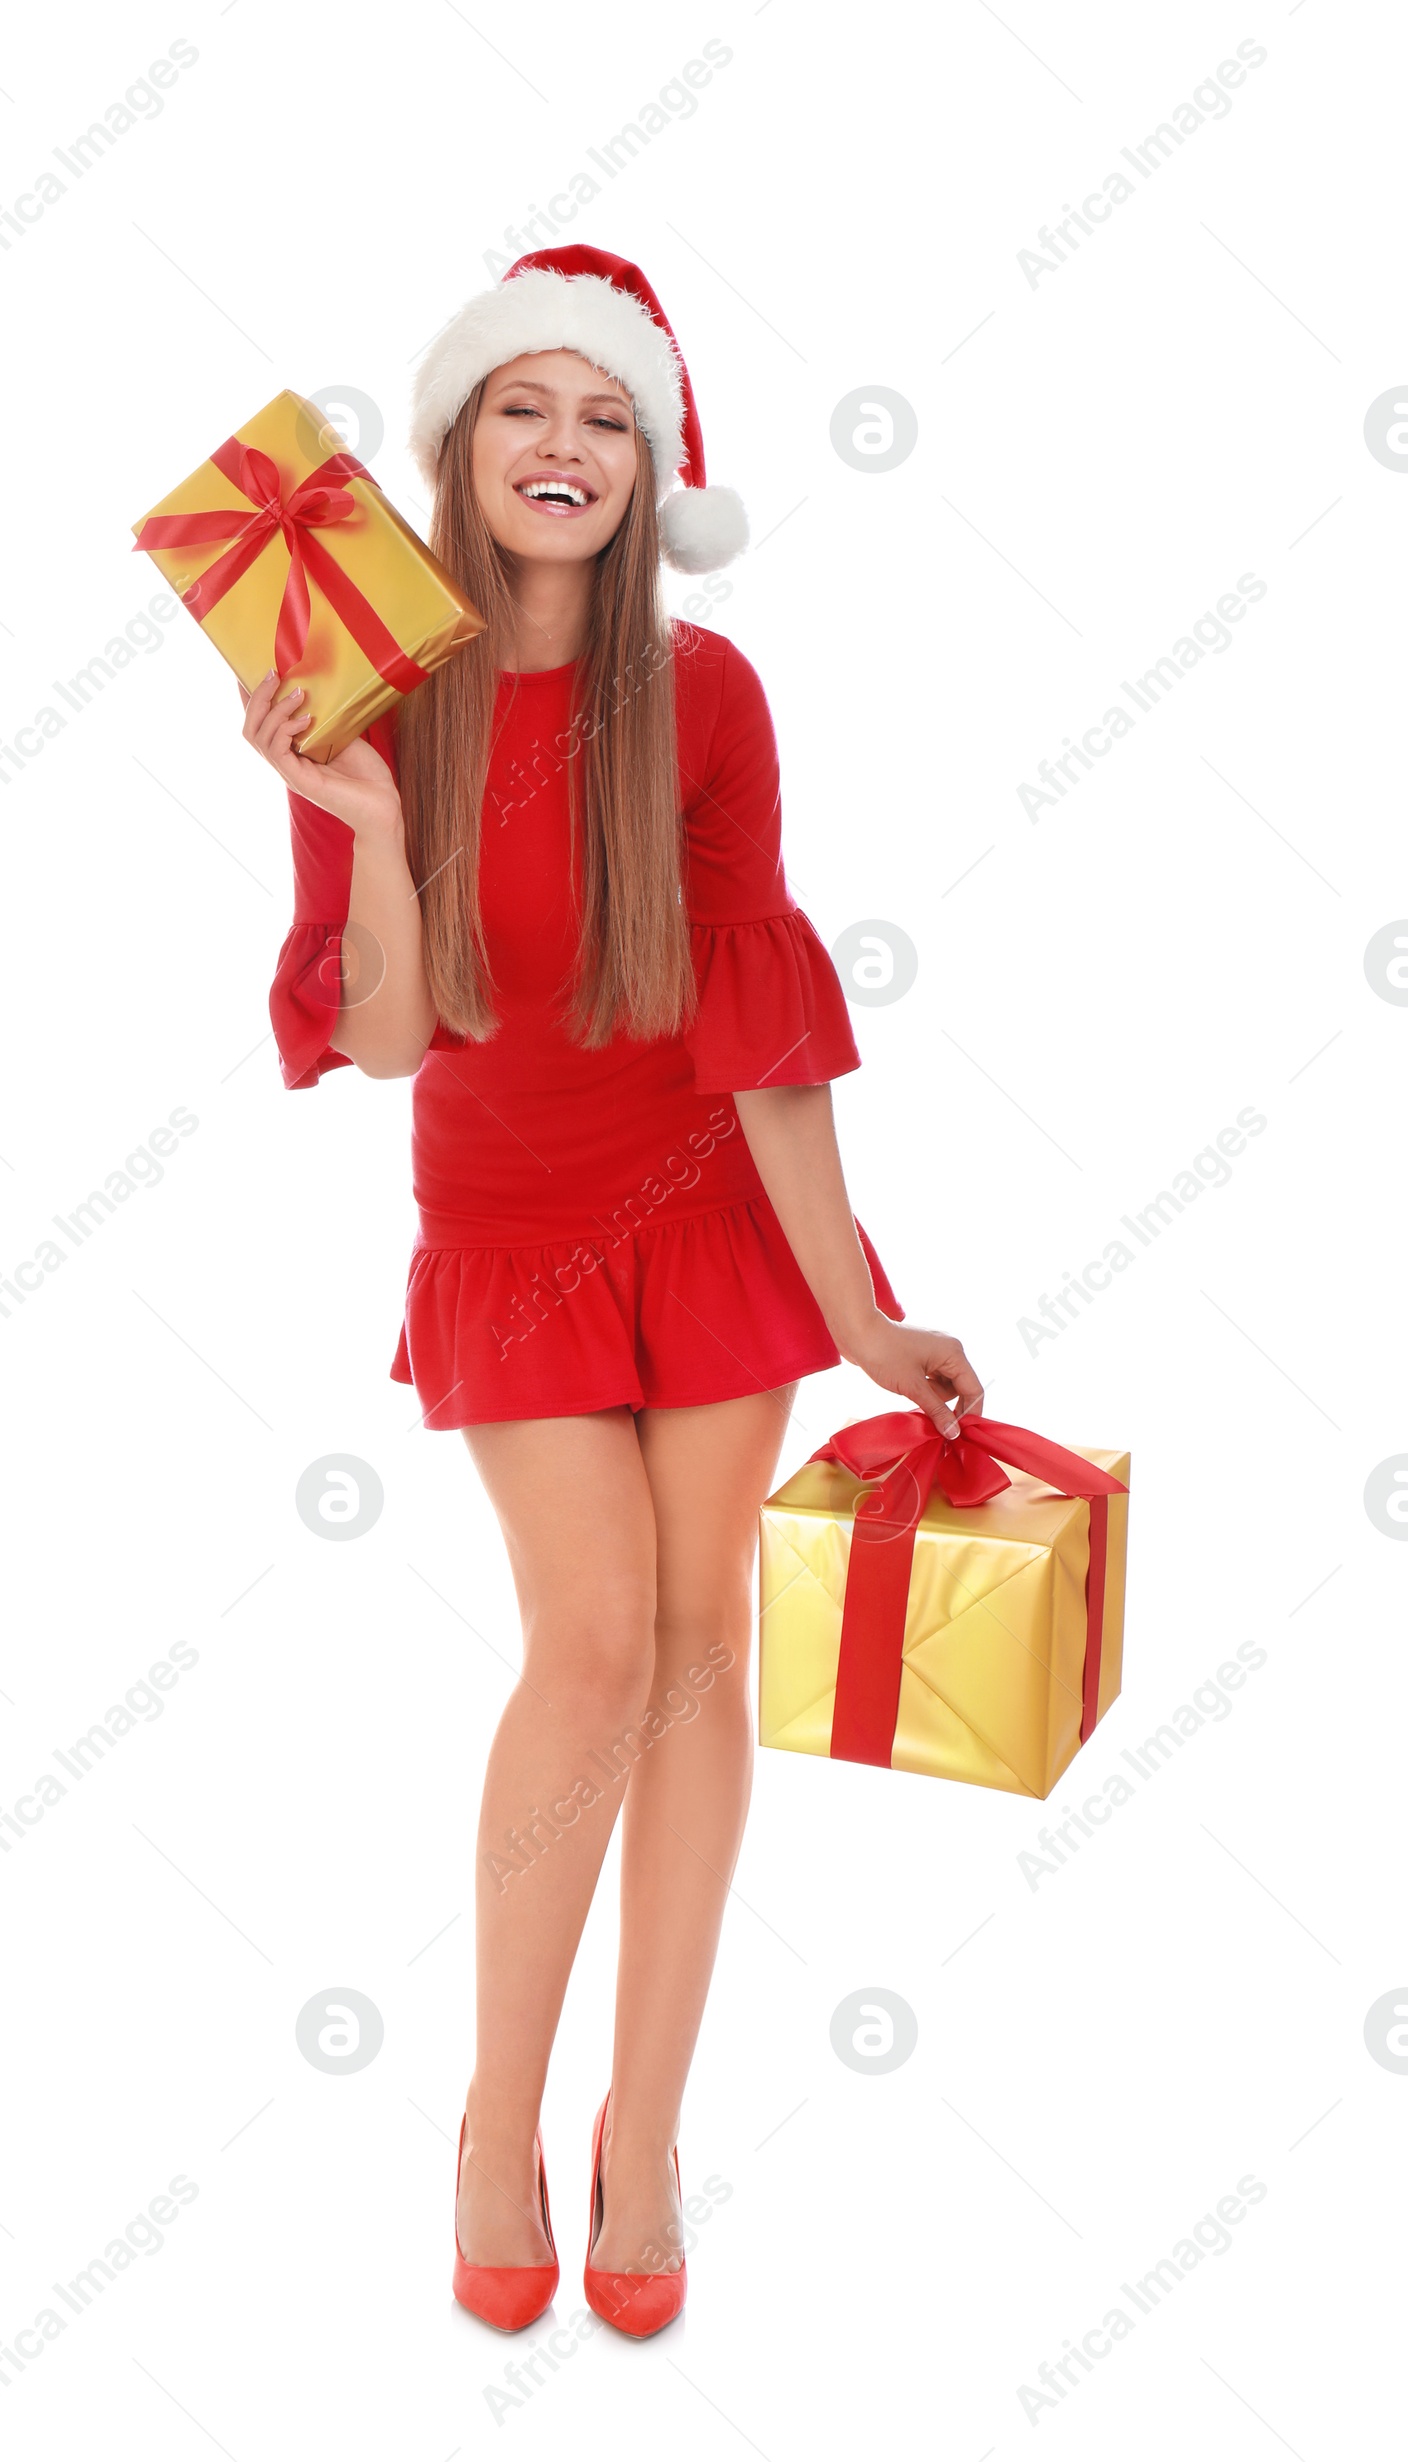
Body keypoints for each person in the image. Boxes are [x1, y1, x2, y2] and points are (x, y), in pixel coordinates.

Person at [244, 245, 983, 2338]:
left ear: (648, 466)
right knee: (583, 1645)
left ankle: (638, 2137)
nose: (558, 448)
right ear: (456, 449)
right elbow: (381, 1045)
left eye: (599, 417)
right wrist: (362, 819)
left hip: (709, 1226)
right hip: (507, 1234)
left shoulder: (712, 697)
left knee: (686, 1649)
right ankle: (494, 2119)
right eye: (518, 410)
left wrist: (848, 1306)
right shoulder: (365, 694)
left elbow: (755, 1021)